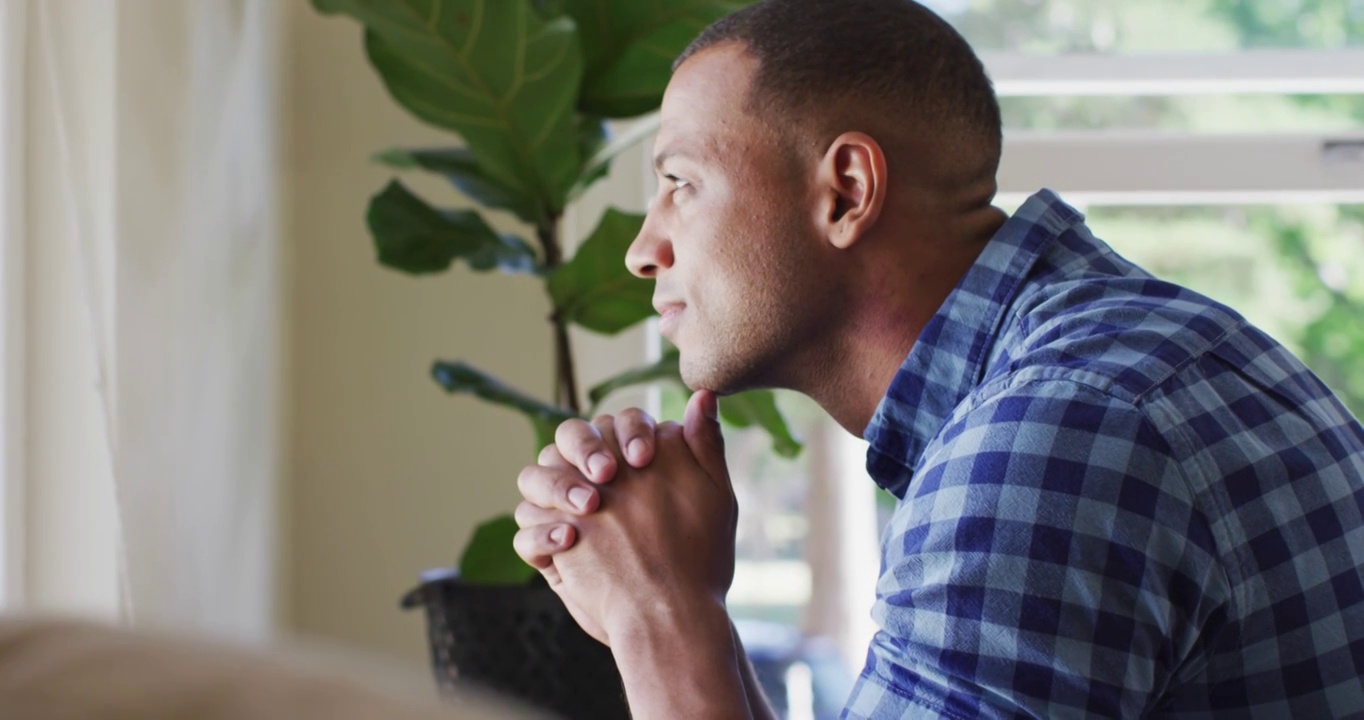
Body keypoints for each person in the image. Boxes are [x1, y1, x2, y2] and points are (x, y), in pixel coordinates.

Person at [512, 0, 1364, 716]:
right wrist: (679, 603)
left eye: (680, 184)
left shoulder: (1051, 440)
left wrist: (658, 618)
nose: (643, 248)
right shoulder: (1113, 367)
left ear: (845, 190)